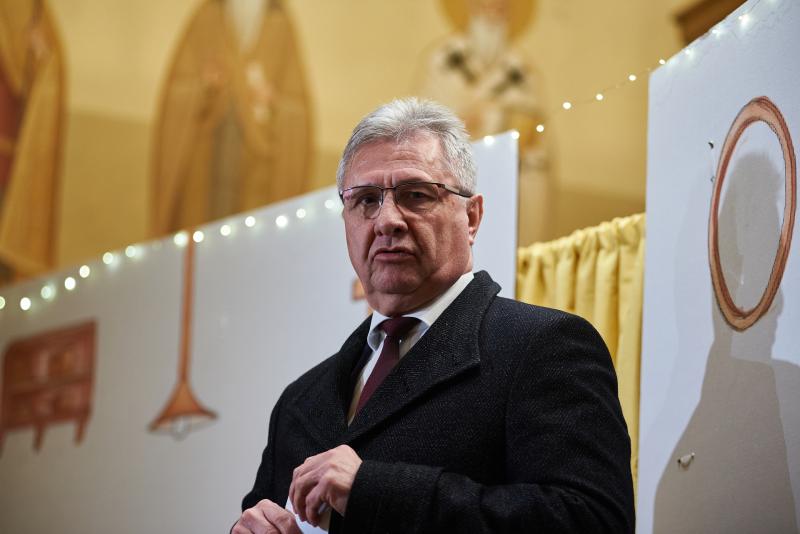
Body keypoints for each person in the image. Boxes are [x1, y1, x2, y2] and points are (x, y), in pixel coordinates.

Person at [232, 98, 634, 534]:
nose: (387, 221)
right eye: (366, 200)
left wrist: (373, 491)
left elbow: (592, 520)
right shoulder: (300, 401)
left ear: (472, 217)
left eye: (416, 195)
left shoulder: (544, 347)